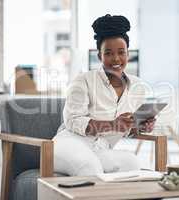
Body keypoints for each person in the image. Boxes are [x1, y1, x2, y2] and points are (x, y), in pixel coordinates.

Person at [53, 14, 156, 176]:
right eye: (108, 53)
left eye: (121, 52)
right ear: (99, 56)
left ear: (128, 54)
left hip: (101, 150)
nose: (116, 58)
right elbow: (73, 121)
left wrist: (140, 126)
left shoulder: (138, 87)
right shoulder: (83, 80)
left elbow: (127, 128)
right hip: (69, 144)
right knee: (89, 167)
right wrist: (112, 124)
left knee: (133, 164)